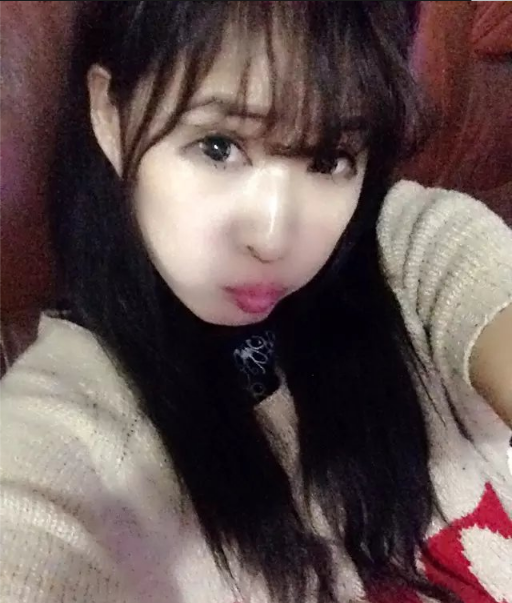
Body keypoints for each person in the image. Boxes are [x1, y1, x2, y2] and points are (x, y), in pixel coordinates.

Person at [1, 3, 511, 602]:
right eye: (219, 147)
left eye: (329, 159)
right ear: (110, 115)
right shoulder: (69, 428)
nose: (273, 239)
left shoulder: (410, 249)